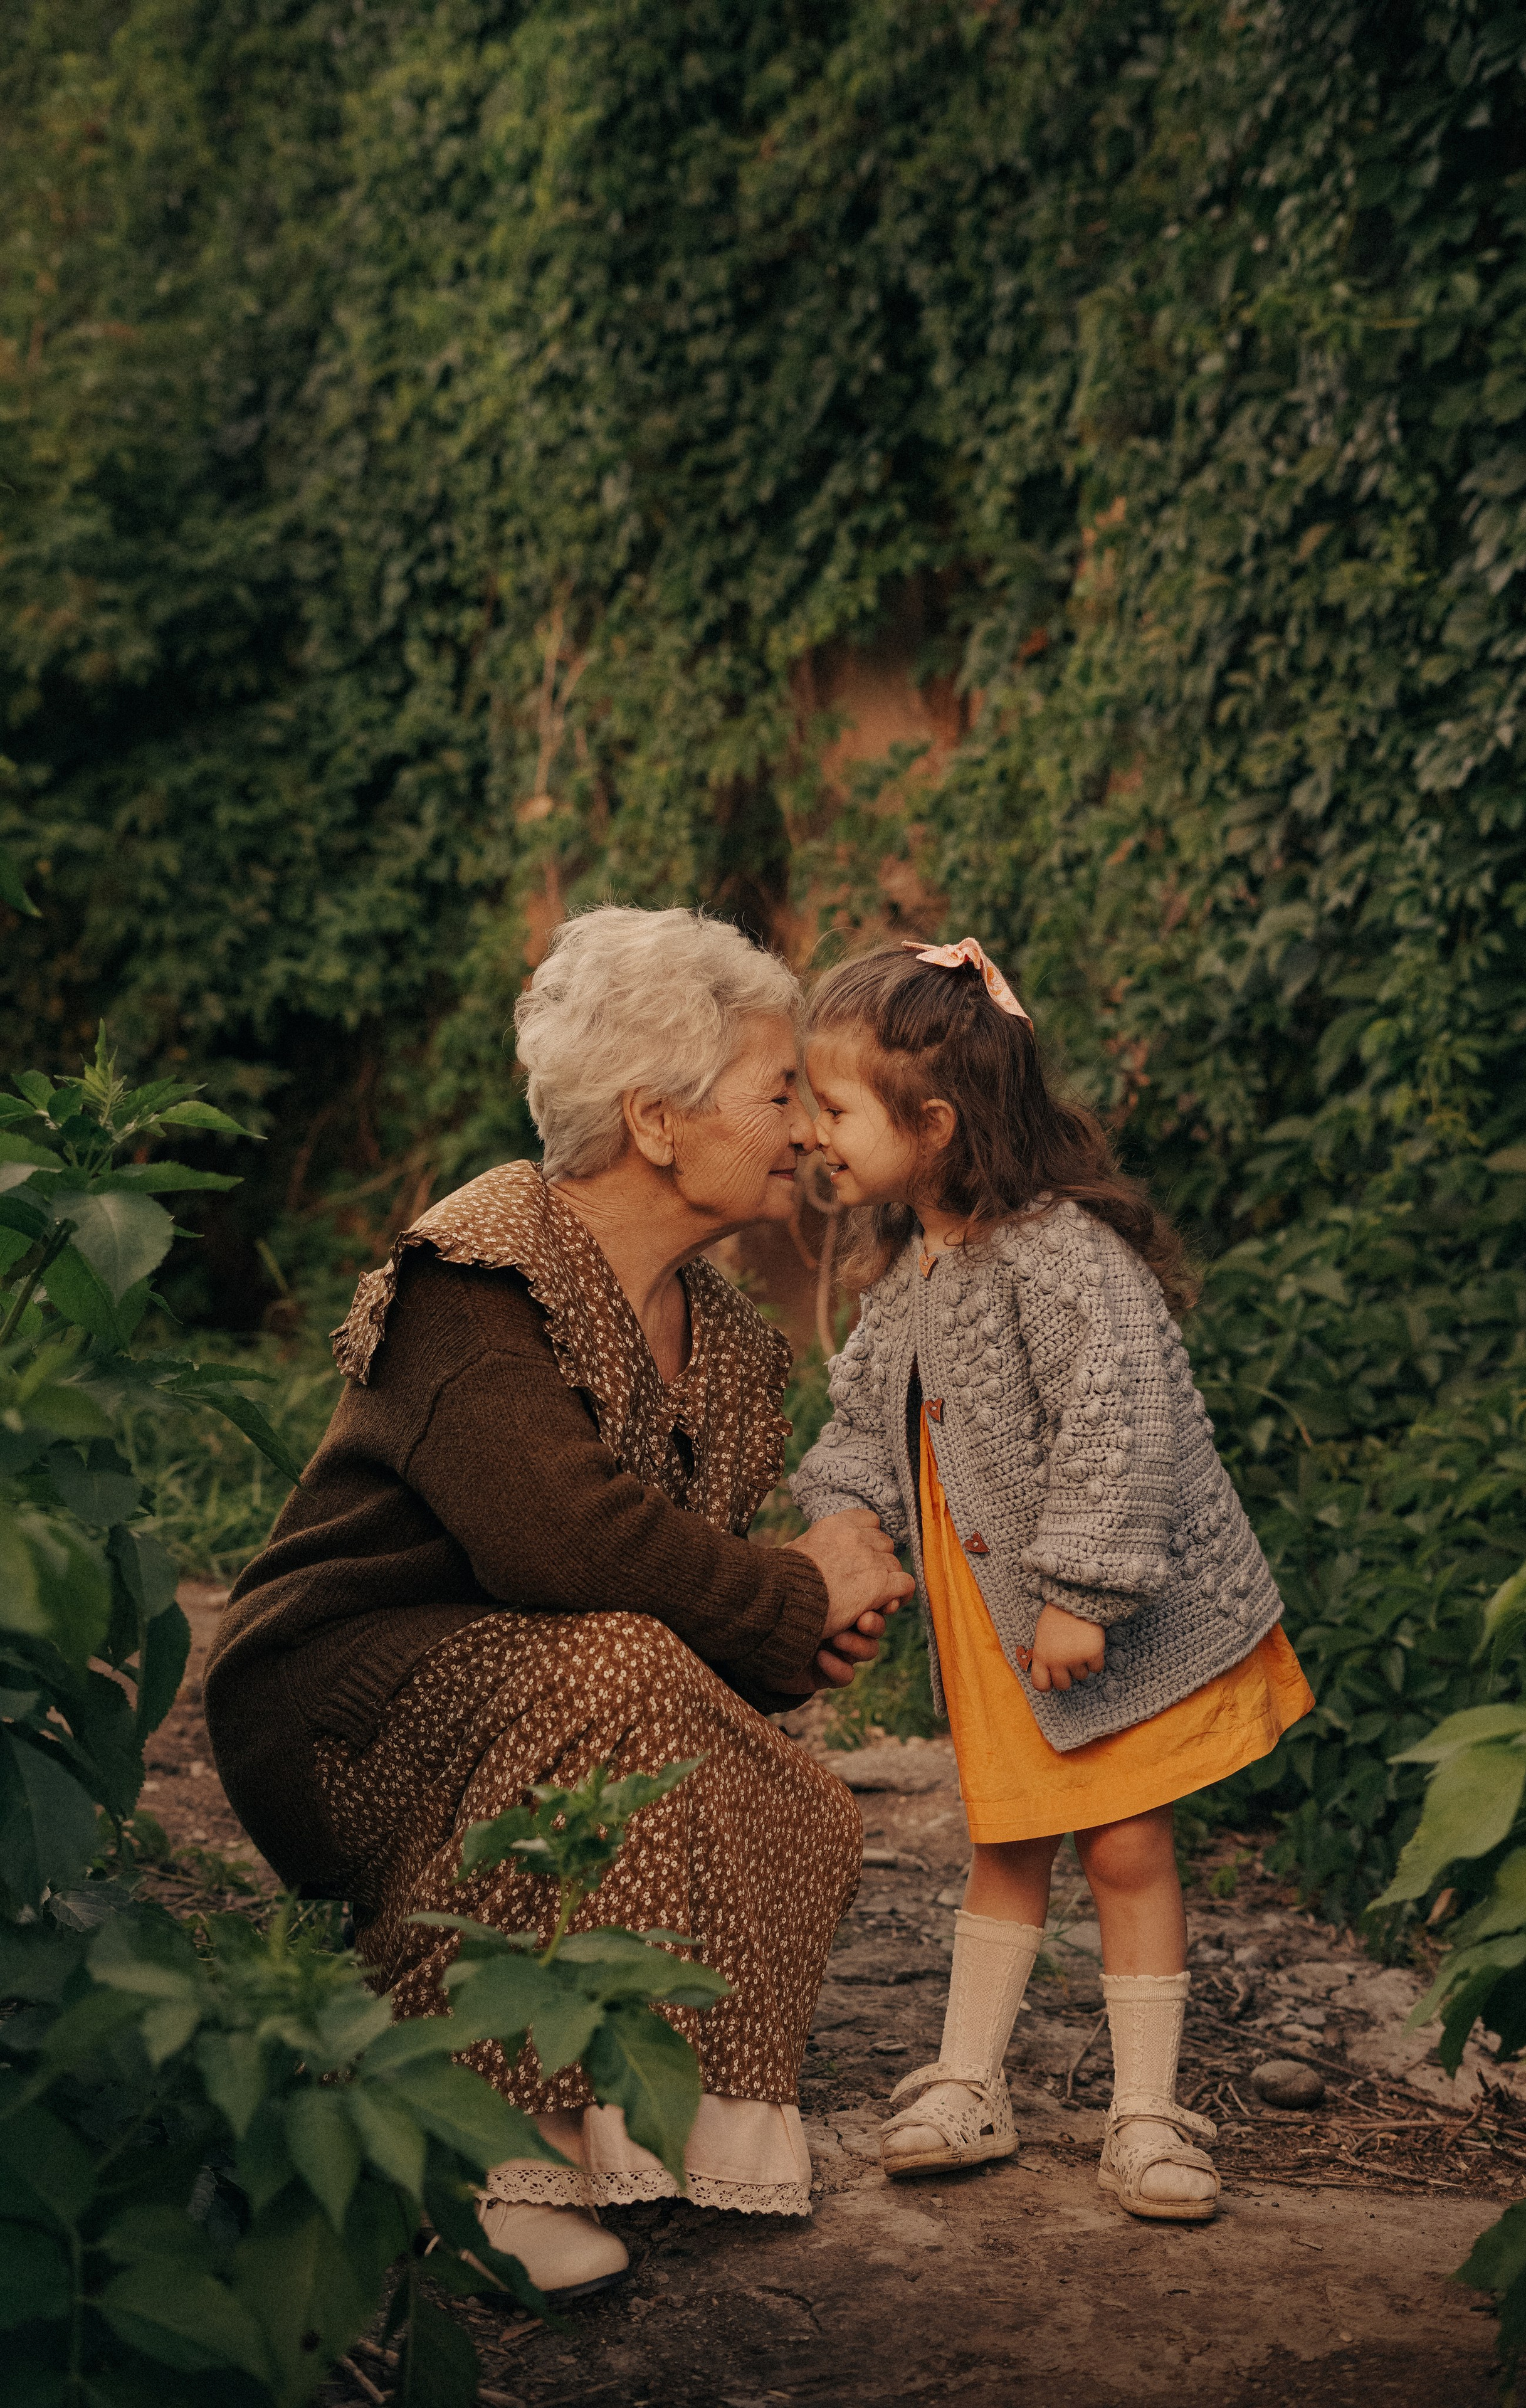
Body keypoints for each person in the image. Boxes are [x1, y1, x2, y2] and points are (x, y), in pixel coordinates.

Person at [205, 907, 912, 2300]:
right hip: (338, 1710)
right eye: (777, 1091)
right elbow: (566, 1548)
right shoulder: (476, 1267)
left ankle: (630, 2134)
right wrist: (789, 1589)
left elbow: (671, 1612)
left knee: (801, 1800)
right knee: (608, 1669)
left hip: (536, 1685)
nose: (803, 1126)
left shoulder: (727, 1345)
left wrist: (802, 1638)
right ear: (656, 1119)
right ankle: (478, 2161)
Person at [790, 937, 1312, 2222]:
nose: (810, 1131)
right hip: (994, 1624)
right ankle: (969, 2079)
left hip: (1099, 1612)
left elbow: (1120, 1417)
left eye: (834, 1108)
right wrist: (845, 1516)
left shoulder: (1055, 1252)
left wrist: (1083, 1589)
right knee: (1005, 1839)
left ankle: (1144, 2110)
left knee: (1127, 1847)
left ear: (933, 1122)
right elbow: (862, 1418)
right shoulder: (914, 1263)